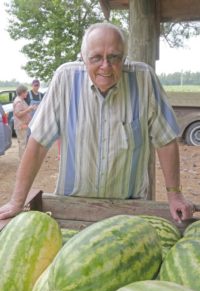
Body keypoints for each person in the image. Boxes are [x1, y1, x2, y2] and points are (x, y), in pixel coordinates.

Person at [0, 22, 194, 222]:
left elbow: (166, 141)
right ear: (83, 58)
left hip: (129, 207)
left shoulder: (144, 80)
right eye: (96, 58)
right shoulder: (65, 79)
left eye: (114, 57)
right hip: (72, 206)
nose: (105, 66)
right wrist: (17, 200)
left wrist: (174, 194)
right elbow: (38, 143)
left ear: (124, 58)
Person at [13, 85, 36, 159]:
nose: (27, 93)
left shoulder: (21, 100)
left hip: (23, 125)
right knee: (22, 144)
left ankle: (23, 160)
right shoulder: (18, 101)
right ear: (22, 92)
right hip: (21, 126)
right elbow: (18, 114)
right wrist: (28, 110)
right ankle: (22, 161)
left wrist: (31, 108)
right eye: (26, 92)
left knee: (23, 143)